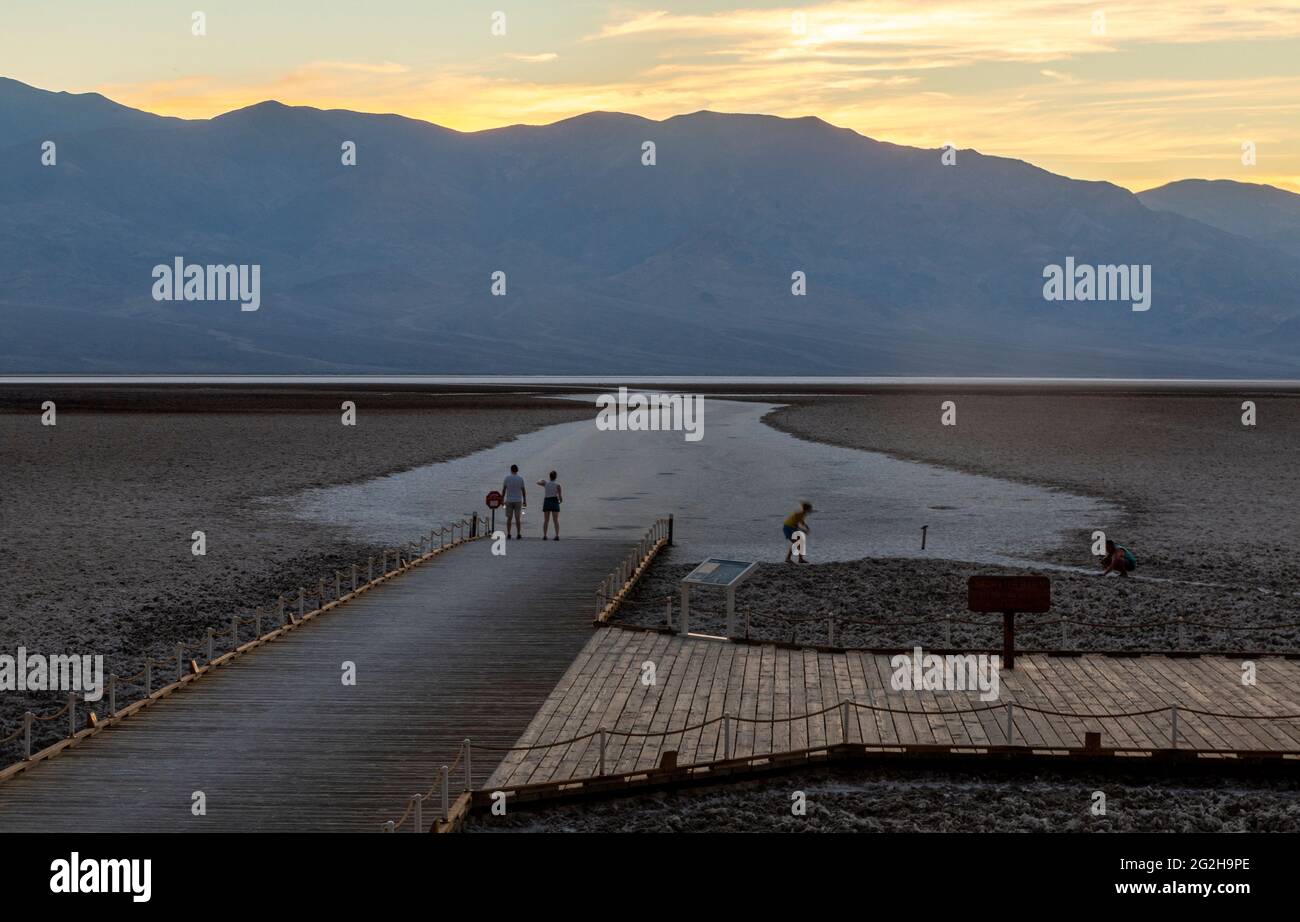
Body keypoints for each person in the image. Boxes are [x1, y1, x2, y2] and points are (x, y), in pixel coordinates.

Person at [536, 471, 563, 540]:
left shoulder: (546, 483)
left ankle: (545, 535)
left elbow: (537, 482)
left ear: (549, 476)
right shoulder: (558, 485)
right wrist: (560, 501)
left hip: (547, 501)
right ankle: (557, 535)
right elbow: (560, 497)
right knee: (555, 520)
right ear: (556, 477)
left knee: (546, 520)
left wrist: (541, 479)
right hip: (554, 501)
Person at [502, 464, 526, 539]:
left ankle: (509, 534)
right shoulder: (520, 478)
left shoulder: (507, 478)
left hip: (509, 500)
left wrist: (501, 500)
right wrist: (525, 500)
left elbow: (504, 490)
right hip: (518, 500)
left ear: (511, 470)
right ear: (517, 470)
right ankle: (518, 534)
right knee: (517, 518)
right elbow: (523, 490)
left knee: (509, 518)